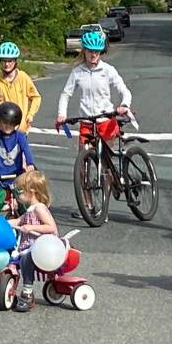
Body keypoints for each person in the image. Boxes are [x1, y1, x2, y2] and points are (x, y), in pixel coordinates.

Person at [55, 30, 132, 219]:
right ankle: (89, 205)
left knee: (105, 165)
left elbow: (124, 90)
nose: (93, 54)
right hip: (87, 123)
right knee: (83, 165)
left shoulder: (108, 70)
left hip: (105, 121)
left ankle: (104, 205)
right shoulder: (77, 72)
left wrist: (124, 105)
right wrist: (62, 115)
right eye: (90, 51)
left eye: (97, 51)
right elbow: (66, 94)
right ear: (84, 51)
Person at [8, 169, 58, 313]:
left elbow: (51, 227)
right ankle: (7, 290)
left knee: (25, 259)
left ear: (31, 191)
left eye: (20, 191)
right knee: (12, 258)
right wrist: (3, 223)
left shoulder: (39, 208)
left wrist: (31, 227)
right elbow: (19, 221)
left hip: (41, 248)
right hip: (28, 247)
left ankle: (27, 292)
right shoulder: (30, 210)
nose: (17, 195)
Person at [0, 102, 35, 216]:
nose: (7, 126)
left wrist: (30, 163)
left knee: (24, 203)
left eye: (11, 124)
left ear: (16, 124)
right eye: (4, 123)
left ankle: (26, 221)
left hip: (17, 177)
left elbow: (26, 149)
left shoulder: (20, 136)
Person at [0, 42, 41, 132]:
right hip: (0, 129)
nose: (6, 64)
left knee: (22, 141)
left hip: (20, 129)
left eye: (10, 61)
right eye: (3, 61)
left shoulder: (23, 78)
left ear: (15, 62)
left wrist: (30, 115)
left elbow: (36, 97)